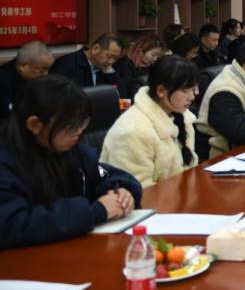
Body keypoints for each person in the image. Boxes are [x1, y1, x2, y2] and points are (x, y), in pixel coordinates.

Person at [0, 76, 142, 249]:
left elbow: (104, 173)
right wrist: (96, 211)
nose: (79, 131)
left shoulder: (69, 148)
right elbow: (12, 226)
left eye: (83, 122)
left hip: (73, 248)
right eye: (70, 126)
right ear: (35, 124)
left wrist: (120, 191)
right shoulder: (6, 161)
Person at [101, 56, 199, 188]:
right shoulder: (133, 130)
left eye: (193, 89)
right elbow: (137, 190)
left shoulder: (182, 116)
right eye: (185, 91)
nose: (192, 96)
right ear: (161, 91)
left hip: (179, 194)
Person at [50, 32, 127, 98]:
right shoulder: (65, 64)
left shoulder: (107, 68)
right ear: (96, 49)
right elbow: (59, 97)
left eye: (115, 58)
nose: (111, 62)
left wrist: (110, 73)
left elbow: (122, 98)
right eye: (109, 56)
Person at [0, 41, 54, 119]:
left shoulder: (38, 77)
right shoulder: (3, 80)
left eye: (48, 69)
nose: (46, 74)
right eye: (42, 70)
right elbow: (6, 114)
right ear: (23, 66)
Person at [113, 35, 164, 101]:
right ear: (141, 52)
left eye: (158, 56)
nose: (155, 59)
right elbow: (126, 90)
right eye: (153, 55)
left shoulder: (153, 66)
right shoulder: (124, 65)